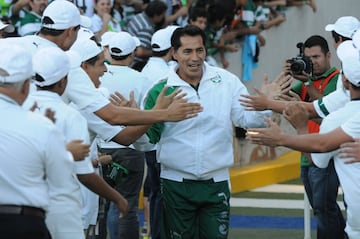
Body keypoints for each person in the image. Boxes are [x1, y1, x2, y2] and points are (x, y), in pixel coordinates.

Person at [143, 25, 270, 239]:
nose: (195, 58)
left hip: (216, 182)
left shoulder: (226, 81)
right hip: (176, 184)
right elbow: (146, 139)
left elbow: (245, 118)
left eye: (199, 50)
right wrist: (152, 117)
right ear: (173, 53)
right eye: (187, 51)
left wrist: (266, 104)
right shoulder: (160, 88)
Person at [246, 39, 360, 239]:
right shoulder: (342, 108)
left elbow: (321, 141)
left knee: (324, 209)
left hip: (318, 154)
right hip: (313, 154)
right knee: (321, 209)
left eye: (316, 57)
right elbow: (307, 108)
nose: (312, 62)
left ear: (344, 79)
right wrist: (272, 98)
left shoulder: (341, 111)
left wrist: (292, 131)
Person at [0, 44, 74, 239]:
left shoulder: (41, 126)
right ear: (26, 87)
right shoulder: (42, 127)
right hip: (23, 225)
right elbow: (61, 183)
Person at [98, 31, 148, 239]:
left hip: (100, 147)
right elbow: (146, 115)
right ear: (133, 54)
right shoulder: (141, 79)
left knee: (100, 206)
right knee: (126, 206)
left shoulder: (98, 76)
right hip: (130, 148)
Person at [140, 25, 178, 239]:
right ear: (172, 50)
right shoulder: (167, 73)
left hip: (149, 141)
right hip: (159, 141)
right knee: (163, 196)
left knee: (155, 194)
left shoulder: (147, 68)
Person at [126, 0, 168, 71]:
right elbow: (140, 52)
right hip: (134, 63)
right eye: (162, 15)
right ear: (156, 15)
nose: (164, 17)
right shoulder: (147, 28)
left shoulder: (139, 16)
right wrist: (158, 52)